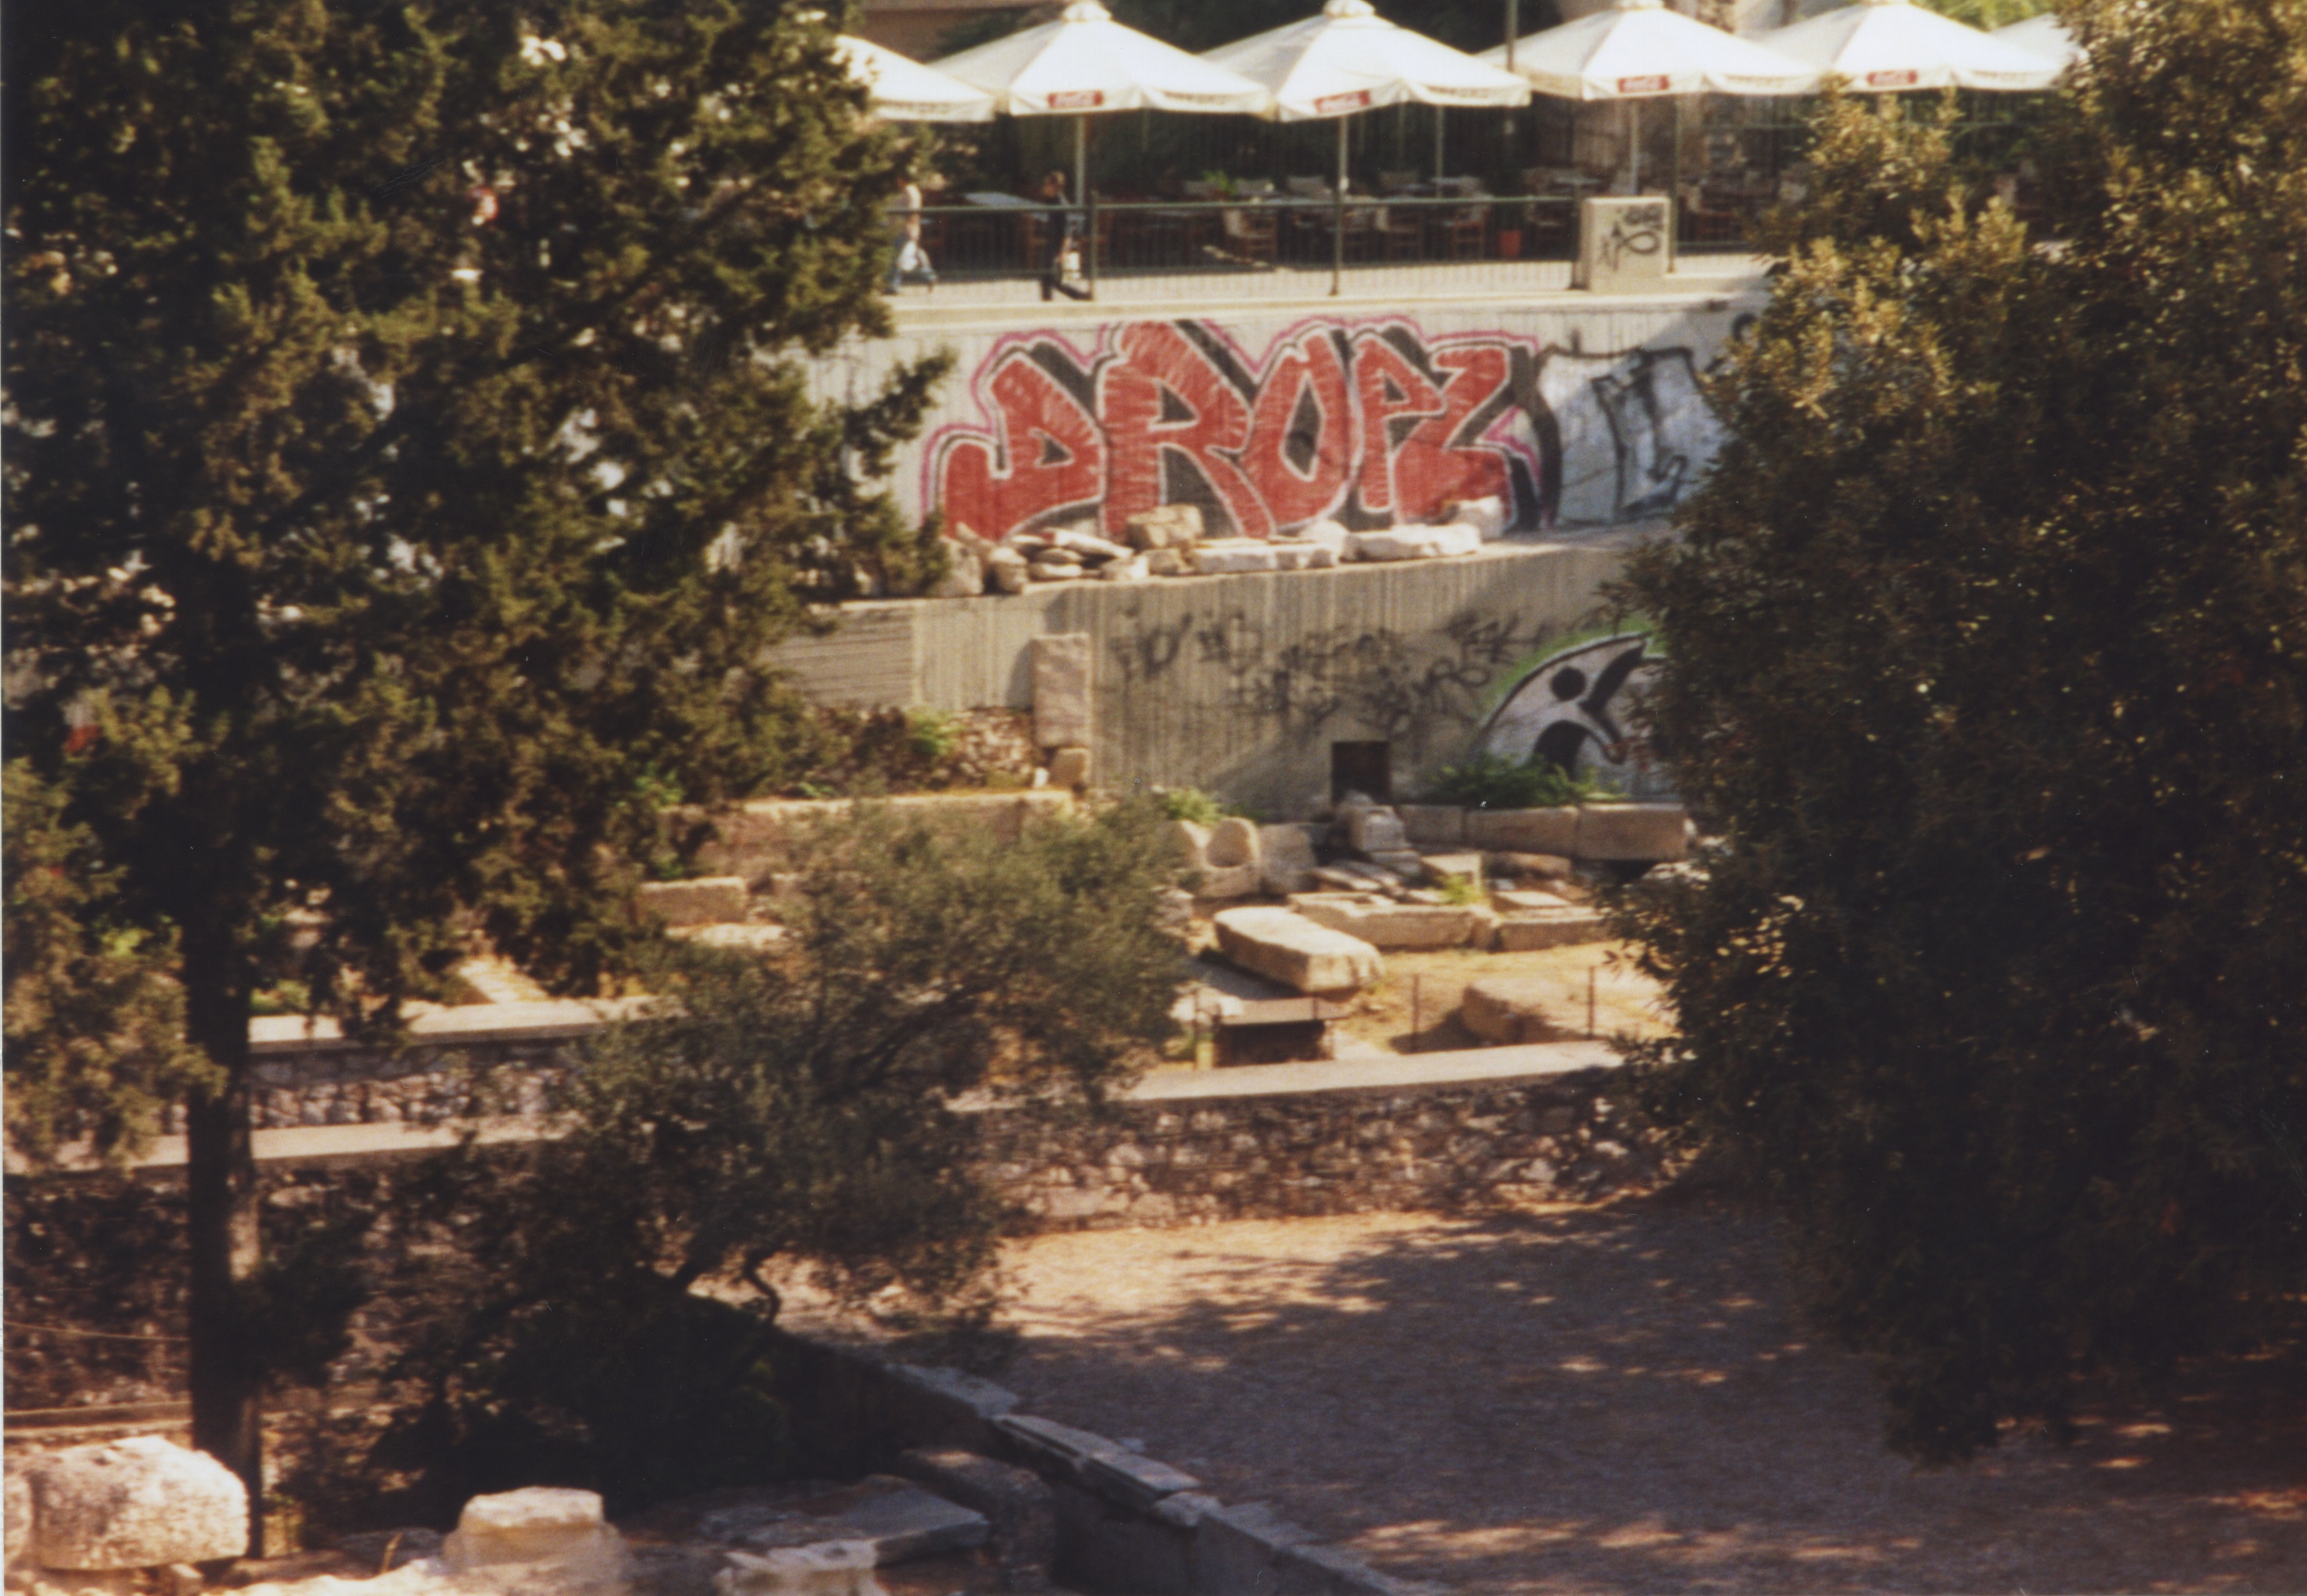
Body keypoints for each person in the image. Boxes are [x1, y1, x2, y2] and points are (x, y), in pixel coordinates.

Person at [1036, 170, 1089, 302]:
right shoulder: (1051, 200)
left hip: (1056, 247)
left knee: (1053, 280)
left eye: (1046, 184)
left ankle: (1082, 296)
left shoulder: (1061, 205)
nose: (1044, 187)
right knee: (1048, 279)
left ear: (1053, 187)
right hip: (1051, 244)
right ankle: (1080, 297)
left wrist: (1063, 253)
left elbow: (1067, 233)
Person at [886, 178, 937, 293]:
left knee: (900, 257)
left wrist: (911, 227)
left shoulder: (910, 191)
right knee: (902, 256)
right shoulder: (903, 191)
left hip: (905, 229)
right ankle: (893, 285)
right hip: (898, 227)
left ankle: (927, 276)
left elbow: (912, 211)